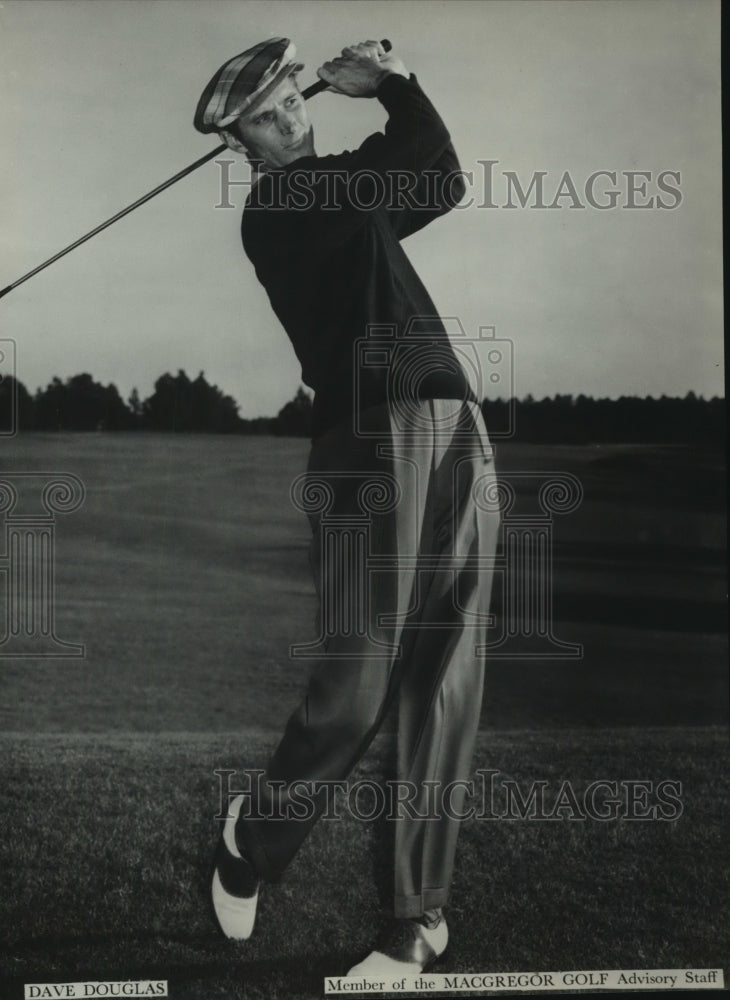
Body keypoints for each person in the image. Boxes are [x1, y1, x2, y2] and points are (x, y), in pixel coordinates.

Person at [193, 36, 500, 976]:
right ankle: (255, 843)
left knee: (443, 684)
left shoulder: (342, 192)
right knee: (356, 688)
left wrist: (395, 96)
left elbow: (441, 177)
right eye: (267, 112)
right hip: (366, 441)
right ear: (237, 141)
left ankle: (417, 920)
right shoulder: (280, 210)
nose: (291, 111)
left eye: (293, 94)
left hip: (453, 422)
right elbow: (403, 165)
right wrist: (395, 87)